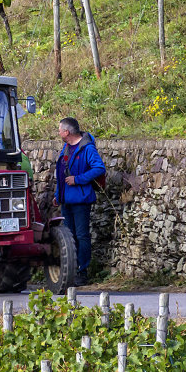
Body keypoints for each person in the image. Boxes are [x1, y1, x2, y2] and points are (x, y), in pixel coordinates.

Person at [54, 117, 106, 286]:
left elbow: (99, 168)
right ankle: (71, 271)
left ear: (67, 132)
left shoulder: (87, 148)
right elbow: (61, 174)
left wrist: (78, 179)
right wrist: (58, 194)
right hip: (66, 200)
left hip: (81, 199)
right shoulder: (66, 147)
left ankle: (82, 272)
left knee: (82, 236)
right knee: (69, 237)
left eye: (60, 130)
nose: (59, 133)